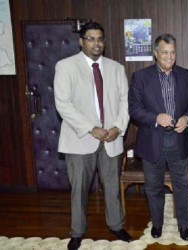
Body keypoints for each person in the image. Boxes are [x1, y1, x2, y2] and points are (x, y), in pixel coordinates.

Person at [54, 21, 132, 250]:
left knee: (112, 187)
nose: (96, 43)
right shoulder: (66, 66)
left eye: (100, 38)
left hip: (111, 139)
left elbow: (124, 103)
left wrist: (118, 128)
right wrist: (91, 128)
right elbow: (63, 104)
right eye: (91, 38)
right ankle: (77, 232)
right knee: (79, 190)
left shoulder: (116, 68)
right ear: (81, 41)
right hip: (80, 140)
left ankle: (116, 226)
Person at [128, 33, 188, 241]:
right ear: (156, 54)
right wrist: (156, 117)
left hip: (180, 141)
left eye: (172, 52)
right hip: (152, 142)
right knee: (153, 187)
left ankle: (184, 226)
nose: (169, 56)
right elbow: (134, 109)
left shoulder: (187, 76)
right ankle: (157, 224)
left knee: (182, 187)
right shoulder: (140, 77)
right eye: (164, 52)